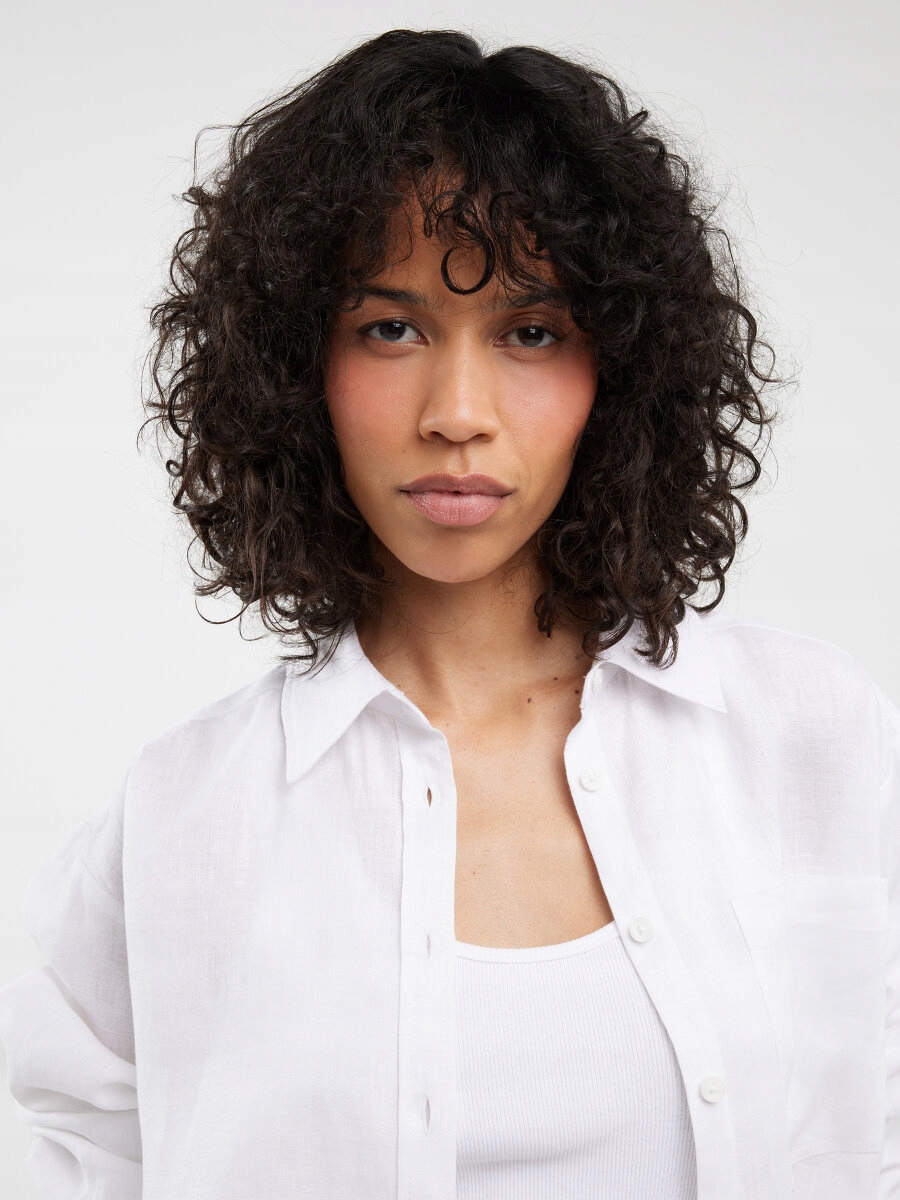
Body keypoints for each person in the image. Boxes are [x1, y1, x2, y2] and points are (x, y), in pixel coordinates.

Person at [0, 27, 896, 1200]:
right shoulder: (181, 819)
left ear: (620, 369)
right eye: (391, 328)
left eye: (531, 331)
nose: (457, 411)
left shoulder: (812, 740)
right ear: (297, 367)